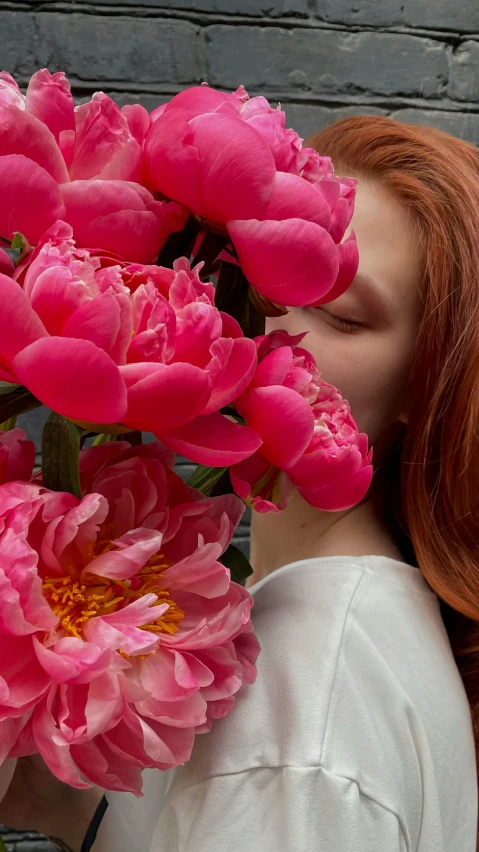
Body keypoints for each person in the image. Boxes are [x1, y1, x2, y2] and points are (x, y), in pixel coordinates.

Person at [2, 114, 479, 851]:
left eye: (337, 313)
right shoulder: (342, 629)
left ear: (428, 385)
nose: (260, 324)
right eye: (246, 271)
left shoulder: (308, 678)